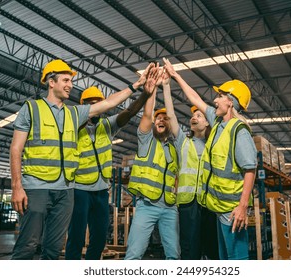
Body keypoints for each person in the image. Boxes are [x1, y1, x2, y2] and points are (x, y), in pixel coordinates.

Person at [9, 59, 155, 260]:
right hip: (39, 187)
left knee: (52, 249)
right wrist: (17, 186)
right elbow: (16, 148)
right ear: (51, 82)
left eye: (71, 81)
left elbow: (110, 103)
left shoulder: (74, 114)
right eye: (66, 80)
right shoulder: (32, 108)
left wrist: (137, 86)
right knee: (28, 245)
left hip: (66, 190)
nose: (70, 85)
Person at [163, 57, 257, 260]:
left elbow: (250, 169)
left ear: (230, 101)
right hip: (219, 208)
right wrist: (176, 76)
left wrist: (242, 206)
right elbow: (195, 98)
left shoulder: (239, 131)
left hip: (232, 210)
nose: (215, 99)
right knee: (224, 258)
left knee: (236, 259)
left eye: (221, 95)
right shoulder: (218, 123)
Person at [65, 80, 155, 260]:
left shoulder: (107, 126)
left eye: (97, 103)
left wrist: (145, 94)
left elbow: (129, 112)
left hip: (101, 192)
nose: (94, 106)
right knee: (76, 238)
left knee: (99, 240)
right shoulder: (72, 125)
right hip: (79, 190)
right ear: (83, 107)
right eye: (89, 104)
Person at [124, 65, 180, 260]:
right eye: (159, 118)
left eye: (165, 118)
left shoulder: (176, 148)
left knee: (174, 255)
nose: (161, 120)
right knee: (134, 254)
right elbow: (147, 114)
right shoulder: (146, 140)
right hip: (146, 206)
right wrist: (153, 87)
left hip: (170, 208)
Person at [161, 71, 219, 260]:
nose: (194, 117)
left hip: (209, 203)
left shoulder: (215, 143)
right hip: (188, 204)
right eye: (192, 115)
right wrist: (166, 85)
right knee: (189, 250)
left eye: (200, 115)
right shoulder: (182, 142)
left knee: (212, 249)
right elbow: (170, 115)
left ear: (208, 122)